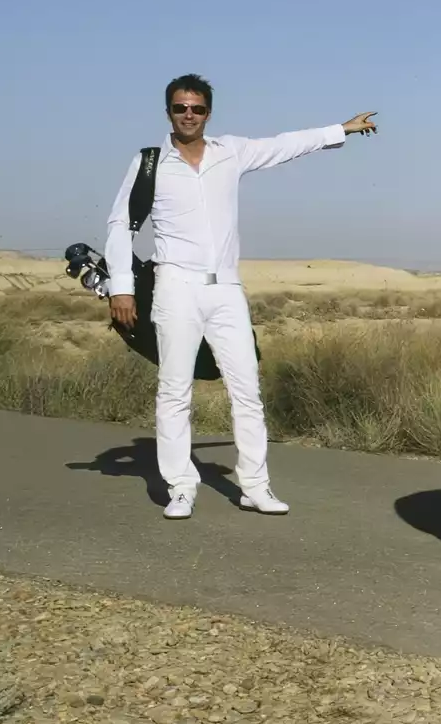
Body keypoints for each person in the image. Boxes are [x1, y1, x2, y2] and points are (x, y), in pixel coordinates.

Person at [105, 73, 378, 519]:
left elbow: (284, 145)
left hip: (226, 288)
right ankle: (180, 487)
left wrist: (341, 129)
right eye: (180, 108)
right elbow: (121, 224)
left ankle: (255, 486)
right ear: (168, 112)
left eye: (196, 108)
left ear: (208, 113)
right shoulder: (150, 162)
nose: (188, 115)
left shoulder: (230, 151)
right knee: (174, 391)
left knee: (247, 389)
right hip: (176, 286)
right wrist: (121, 287)